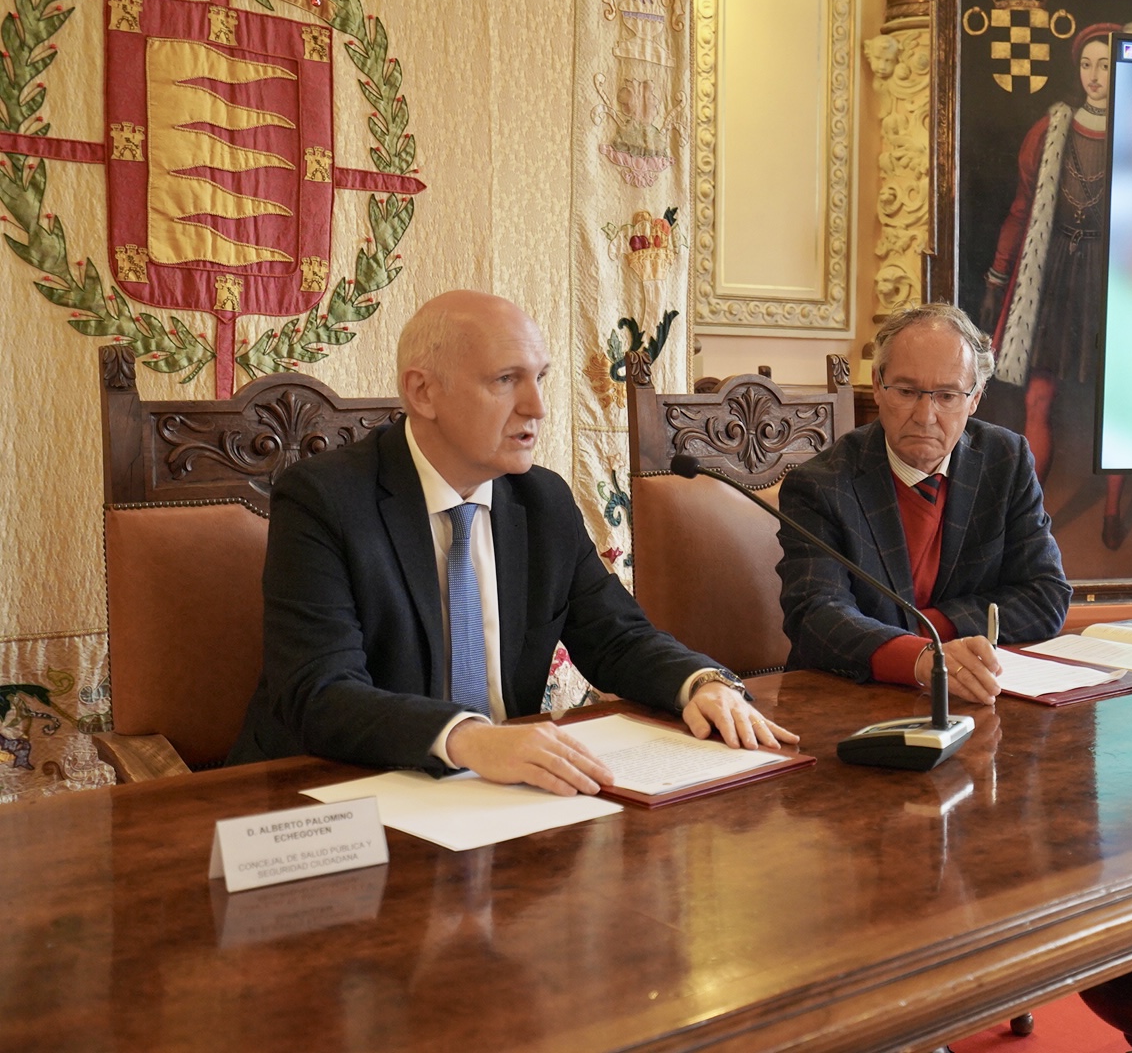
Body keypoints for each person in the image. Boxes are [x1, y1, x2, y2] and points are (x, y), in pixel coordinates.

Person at [228, 290, 797, 793]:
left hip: (498, 797)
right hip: (338, 794)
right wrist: (469, 739)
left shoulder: (540, 499)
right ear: (422, 392)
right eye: (505, 380)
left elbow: (616, 637)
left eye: (539, 377)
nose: (537, 407)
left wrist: (699, 683)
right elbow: (320, 691)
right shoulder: (325, 499)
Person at [776, 304, 1072, 704]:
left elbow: (1046, 596)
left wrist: (932, 629)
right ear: (878, 386)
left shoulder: (1005, 461)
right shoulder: (820, 485)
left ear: (974, 399)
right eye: (907, 391)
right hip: (847, 698)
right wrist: (921, 656)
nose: (925, 415)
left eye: (947, 395)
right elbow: (816, 618)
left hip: (974, 696)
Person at [978, 21, 1132, 547]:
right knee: (1038, 397)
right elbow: (1021, 208)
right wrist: (998, 273)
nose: (1095, 76)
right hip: (1054, 277)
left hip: (1113, 280)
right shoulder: (1050, 130)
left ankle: (1111, 512)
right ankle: (1032, 520)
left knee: (1117, 402)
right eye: (1087, 64)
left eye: (1106, 65)